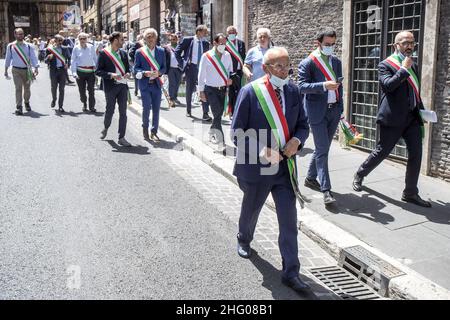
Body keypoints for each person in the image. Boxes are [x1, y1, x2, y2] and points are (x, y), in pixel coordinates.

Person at [231, 47, 310, 294]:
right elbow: (237, 132)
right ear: (265, 68)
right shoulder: (250, 92)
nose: (285, 70)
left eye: (288, 65)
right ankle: (244, 238)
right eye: (279, 66)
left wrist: (297, 140)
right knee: (252, 208)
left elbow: (303, 125)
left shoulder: (294, 90)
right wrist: (263, 151)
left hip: (285, 167)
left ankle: (291, 272)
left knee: (288, 220)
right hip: (260, 167)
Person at [352, 31, 431, 208]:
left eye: (411, 42)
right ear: (396, 45)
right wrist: (403, 69)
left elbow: (415, 91)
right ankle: (360, 173)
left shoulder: (414, 65)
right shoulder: (385, 65)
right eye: (405, 42)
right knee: (382, 151)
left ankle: (410, 193)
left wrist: (422, 111)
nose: (409, 45)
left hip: (412, 117)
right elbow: (388, 86)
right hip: (393, 118)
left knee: (416, 154)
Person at [298, 29, 343, 205]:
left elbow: (340, 86)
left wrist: (341, 108)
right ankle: (326, 190)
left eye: (333, 44)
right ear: (318, 43)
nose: (330, 47)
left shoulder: (337, 62)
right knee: (323, 149)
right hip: (317, 111)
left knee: (322, 148)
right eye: (327, 44)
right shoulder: (308, 63)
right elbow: (301, 86)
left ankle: (310, 178)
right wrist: (324, 85)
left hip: (334, 110)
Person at [198, 33, 233, 152]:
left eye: (225, 43)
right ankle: (221, 142)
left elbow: (229, 71)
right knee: (217, 113)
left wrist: (230, 79)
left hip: (223, 90)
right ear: (215, 43)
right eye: (221, 43)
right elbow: (201, 75)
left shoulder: (227, 55)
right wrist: (201, 91)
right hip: (211, 89)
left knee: (218, 114)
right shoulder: (206, 56)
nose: (223, 45)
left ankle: (212, 130)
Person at [96, 31, 132, 147]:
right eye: (122, 39)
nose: (123, 41)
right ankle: (106, 127)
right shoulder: (104, 53)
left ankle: (121, 137)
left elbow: (128, 69)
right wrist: (111, 75)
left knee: (123, 112)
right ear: (115, 40)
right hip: (110, 86)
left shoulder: (123, 53)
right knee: (110, 110)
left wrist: (128, 74)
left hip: (122, 86)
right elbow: (98, 71)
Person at [134, 28, 167, 142]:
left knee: (156, 110)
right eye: (148, 36)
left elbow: (164, 67)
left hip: (156, 85)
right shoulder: (140, 52)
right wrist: (144, 73)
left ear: (156, 38)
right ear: (145, 39)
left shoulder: (161, 51)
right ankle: (145, 129)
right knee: (146, 108)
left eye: (152, 36)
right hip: (145, 85)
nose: (150, 38)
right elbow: (135, 69)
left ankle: (154, 131)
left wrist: (160, 72)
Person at [174, 25, 211, 120]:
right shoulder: (188, 40)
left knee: (204, 89)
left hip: (203, 69)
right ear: (198, 32)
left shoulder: (206, 43)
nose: (205, 34)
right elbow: (177, 52)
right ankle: (188, 110)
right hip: (191, 68)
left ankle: (205, 113)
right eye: (204, 32)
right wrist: (182, 63)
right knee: (189, 89)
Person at [4, 28, 39, 115]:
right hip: (16, 70)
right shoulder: (11, 46)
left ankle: (26, 102)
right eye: (18, 34)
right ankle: (19, 107)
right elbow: (7, 58)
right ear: (15, 35)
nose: (20, 36)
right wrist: (6, 70)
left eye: (22, 34)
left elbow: (33, 57)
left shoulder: (29, 46)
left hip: (27, 70)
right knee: (18, 88)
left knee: (27, 89)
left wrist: (36, 68)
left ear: (23, 35)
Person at [71, 32, 97, 112]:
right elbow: (73, 60)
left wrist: (96, 70)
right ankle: (84, 104)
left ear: (87, 39)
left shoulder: (91, 47)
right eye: (81, 38)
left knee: (91, 90)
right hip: (80, 72)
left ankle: (91, 106)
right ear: (78, 39)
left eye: (84, 38)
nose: (82, 40)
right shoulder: (76, 48)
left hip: (90, 72)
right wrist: (74, 72)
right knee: (82, 91)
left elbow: (95, 58)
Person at [45, 34, 71, 112]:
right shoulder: (50, 49)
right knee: (53, 88)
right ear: (55, 40)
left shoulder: (65, 49)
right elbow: (45, 61)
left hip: (62, 71)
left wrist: (68, 64)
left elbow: (69, 58)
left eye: (61, 40)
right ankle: (54, 99)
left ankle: (60, 106)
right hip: (53, 71)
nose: (60, 42)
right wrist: (48, 57)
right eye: (58, 40)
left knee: (62, 89)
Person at [225, 25, 246, 116]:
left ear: (236, 33)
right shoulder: (225, 44)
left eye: (233, 32)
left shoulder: (241, 43)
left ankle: (238, 111)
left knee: (240, 92)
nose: (231, 34)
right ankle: (231, 111)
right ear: (227, 34)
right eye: (229, 33)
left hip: (239, 71)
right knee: (231, 92)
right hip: (229, 72)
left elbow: (243, 56)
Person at [163, 33, 182, 107]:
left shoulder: (180, 47)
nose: (172, 41)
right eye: (171, 39)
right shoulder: (166, 47)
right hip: (171, 68)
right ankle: (171, 98)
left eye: (174, 39)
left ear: (177, 40)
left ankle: (175, 96)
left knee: (177, 83)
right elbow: (164, 58)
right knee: (172, 83)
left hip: (179, 68)